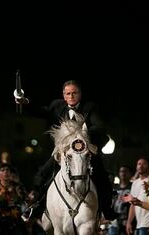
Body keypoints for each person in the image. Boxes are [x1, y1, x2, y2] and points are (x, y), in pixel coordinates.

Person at [15, 79, 117, 220]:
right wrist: (25, 102)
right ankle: (37, 206)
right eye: (68, 93)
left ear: (80, 94)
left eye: (74, 93)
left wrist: (82, 133)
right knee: (42, 174)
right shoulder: (57, 106)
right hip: (63, 152)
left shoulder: (90, 107)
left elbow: (99, 126)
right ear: (64, 96)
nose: (71, 96)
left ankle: (106, 209)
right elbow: (41, 112)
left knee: (102, 176)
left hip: (85, 150)